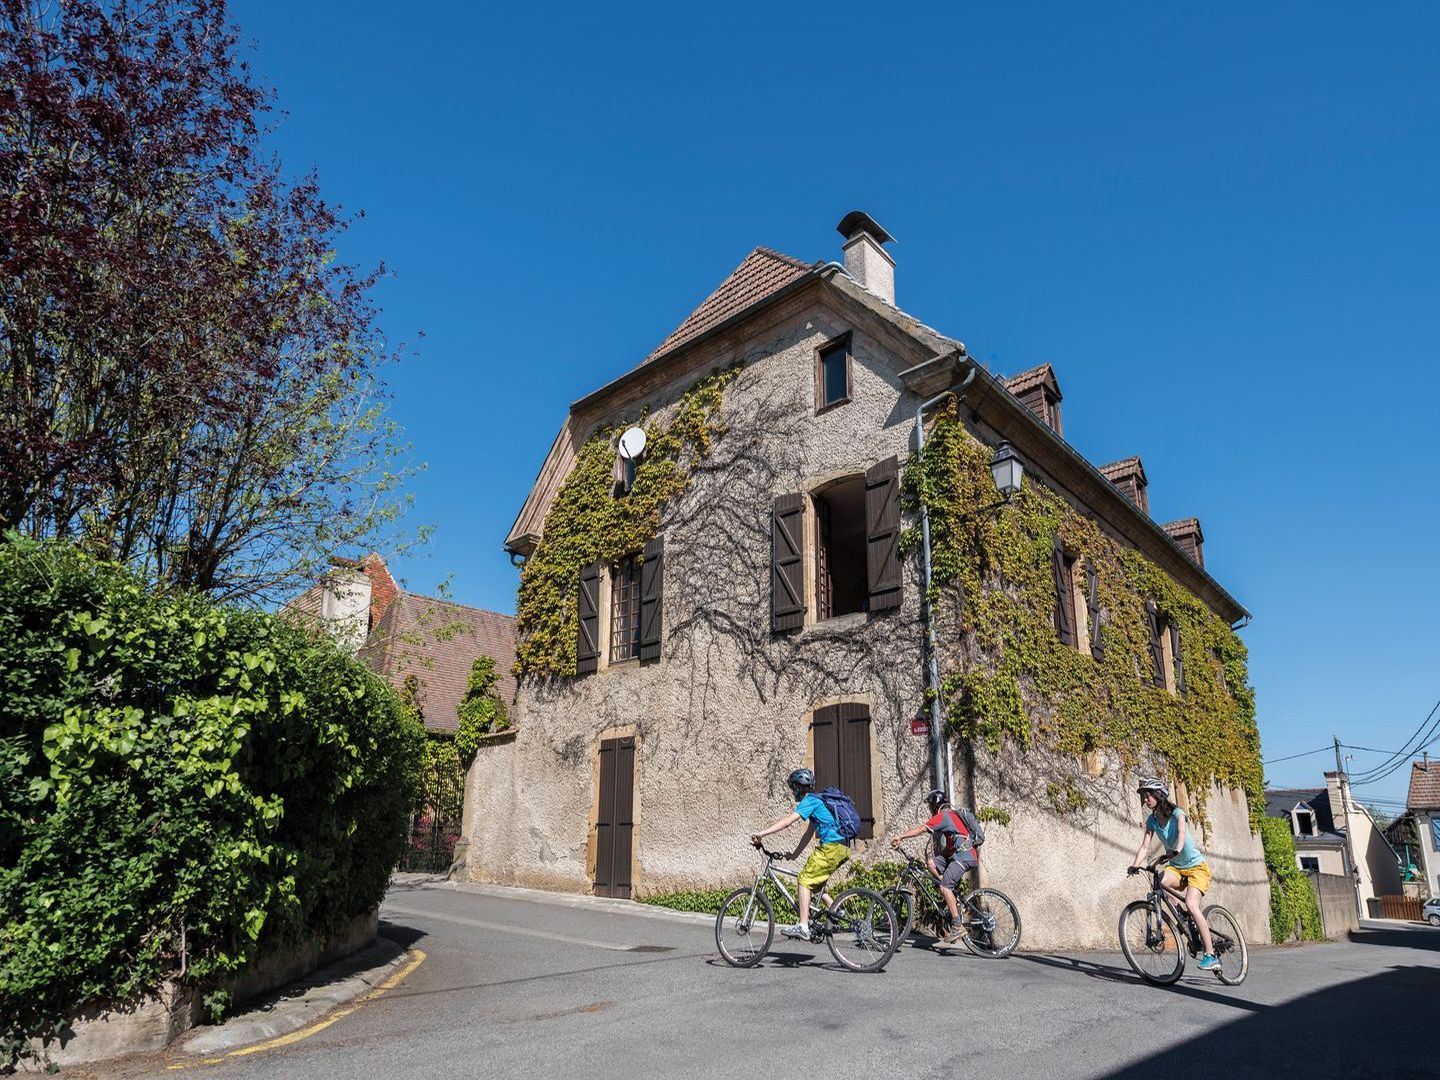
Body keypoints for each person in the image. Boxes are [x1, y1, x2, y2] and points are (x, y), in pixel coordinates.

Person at [1128, 777, 1219, 971]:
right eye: (1144, 796)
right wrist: (1135, 865)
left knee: (1192, 904)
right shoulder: (1152, 820)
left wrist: (1176, 849)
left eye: (1148, 795)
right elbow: (1145, 846)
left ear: (1159, 795)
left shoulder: (1178, 813)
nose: (1146, 799)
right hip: (1177, 867)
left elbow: (1182, 833)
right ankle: (1183, 917)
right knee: (1159, 882)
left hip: (1196, 868)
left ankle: (1211, 955)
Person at [750, 767, 850, 941]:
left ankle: (803, 926)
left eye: (793, 788)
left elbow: (787, 822)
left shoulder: (810, 801)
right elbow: (808, 834)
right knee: (815, 884)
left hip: (831, 847)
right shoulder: (817, 803)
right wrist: (794, 855)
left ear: (798, 787)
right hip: (842, 848)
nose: (792, 792)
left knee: (804, 879)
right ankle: (837, 910)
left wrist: (762, 833)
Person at [889, 788, 979, 946]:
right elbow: (949, 846)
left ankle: (957, 926)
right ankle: (950, 893)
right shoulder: (950, 816)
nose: (930, 809)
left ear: (935, 804)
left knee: (944, 887)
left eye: (930, 805)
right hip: (957, 855)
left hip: (964, 856)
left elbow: (921, 829)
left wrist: (900, 836)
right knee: (931, 863)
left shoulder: (944, 816)